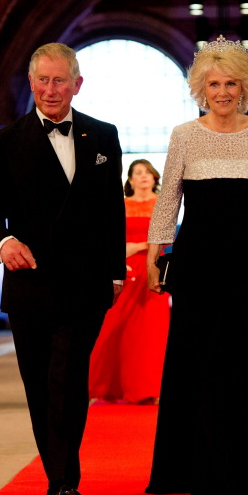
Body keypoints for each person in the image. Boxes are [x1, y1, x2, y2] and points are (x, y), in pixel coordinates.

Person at [144, 35, 248, 495]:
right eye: (213, 84)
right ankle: (202, 467)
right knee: (202, 360)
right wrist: (156, 256)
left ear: (245, 87)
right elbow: (167, 200)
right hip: (198, 263)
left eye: (230, 83)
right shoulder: (184, 134)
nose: (222, 92)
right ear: (201, 88)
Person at [0, 43, 125, 495]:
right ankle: (57, 475)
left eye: (60, 80)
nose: (51, 90)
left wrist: (115, 273)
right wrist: (3, 242)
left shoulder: (103, 135)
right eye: (43, 80)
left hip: (85, 283)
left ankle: (64, 482)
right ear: (32, 82)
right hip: (30, 283)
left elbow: (111, 211)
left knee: (67, 379)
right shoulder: (7, 140)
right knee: (39, 384)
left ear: (77, 84)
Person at [89, 159, 170, 404]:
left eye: (147, 172)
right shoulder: (121, 204)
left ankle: (150, 388)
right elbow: (106, 236)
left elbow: (168, 237)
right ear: (130, 180)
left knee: (152, 330)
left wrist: (139, 246)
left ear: (155, 177)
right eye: (138, 172)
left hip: (153, 268)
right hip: (124, 269)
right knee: (114, 327)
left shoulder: (162, 204)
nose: (143, 176)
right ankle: (108, 386)